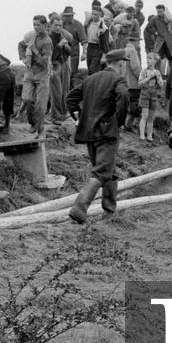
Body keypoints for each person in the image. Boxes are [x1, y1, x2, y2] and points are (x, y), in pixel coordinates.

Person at [66, 48, 130, 223]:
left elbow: (70, 98)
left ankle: (109, 212)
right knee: (102, 171)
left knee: (109, 170)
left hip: (89, 132)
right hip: (107, 133)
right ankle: (79, 207)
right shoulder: (118, 79)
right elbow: (124, 96)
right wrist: (120, 120)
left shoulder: (91, 79)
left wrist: (78, 116)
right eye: (124, 64)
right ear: (121, 63)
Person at [18, 15, 54, 137]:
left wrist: (34, 50)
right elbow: (21, 44)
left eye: (38, 25)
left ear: (45, 25)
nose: (36, 27)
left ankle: (40, 129)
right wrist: (23, 58)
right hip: (29, 73)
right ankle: (33, 123)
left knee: (40, 104)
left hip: (42, 75)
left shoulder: (47, 41)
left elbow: (44, 62)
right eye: (34, 24)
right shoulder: (31, 35)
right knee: (27, 99)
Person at [48, 16, 74, 123]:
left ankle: (64, 113)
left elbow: (71, 52)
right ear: (50, 25)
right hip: (54, 65)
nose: (58, 28)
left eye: (60, 25)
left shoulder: (65, 36)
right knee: (56, 92)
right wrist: (59, 46)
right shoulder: (48, 38)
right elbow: (50, 56)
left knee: (65, 90)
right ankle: (55, 116)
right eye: (56, 25)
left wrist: (67, 46)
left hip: (64, 64)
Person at [138, 53, 164, 142]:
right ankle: (142, 135)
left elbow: (161, 85)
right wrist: (148, 78)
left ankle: (149, 136)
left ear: (155, 61)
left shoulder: (157, 72)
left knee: (151, 117)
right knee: (144, 115)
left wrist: (157, 78)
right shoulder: (143, 71)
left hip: (153, 95)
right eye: (147, 58)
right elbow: (139, 84)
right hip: (145, 94)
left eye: (150, 58)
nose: (148, 60)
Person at [60, 7, 87, 84]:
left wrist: (84, 53)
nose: (65, 17)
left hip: (73, 53)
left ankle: (71, 92)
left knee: (71, 73)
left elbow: (84, 40)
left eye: (68, 16)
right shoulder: (60, 24)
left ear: (72, 16)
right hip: (61, 53)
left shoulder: (78, 25)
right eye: (64, 15)